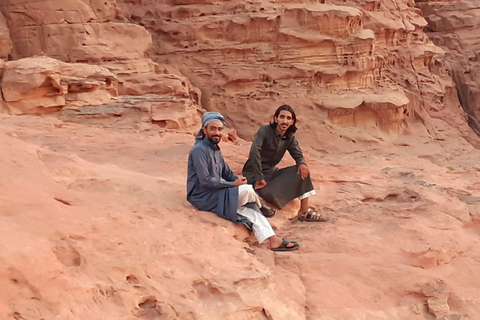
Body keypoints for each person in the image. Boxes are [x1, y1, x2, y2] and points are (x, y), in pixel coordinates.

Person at [187, 111, 299, 251]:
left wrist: (238, 181)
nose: (217, 132)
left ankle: (273, 240)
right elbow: (206, 181)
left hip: (216, 192)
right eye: (213, 128)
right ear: (204, 130)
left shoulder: (215, 149)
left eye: (220, 129)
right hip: (203, 196)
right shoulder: (199, 151)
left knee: (250, 210)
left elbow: (226, 172)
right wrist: (233, 185)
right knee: (247, 191)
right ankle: (260, 204)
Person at [242, 105, 327, 222]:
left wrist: (302, 164)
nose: (285, 121)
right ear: (276, 118)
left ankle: (303, 211)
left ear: (292, 122)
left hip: (272, 174)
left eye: (288, 118)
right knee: (268, 193)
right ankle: (266, 197)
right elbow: (254, 152)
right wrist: (259, 177)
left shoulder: (289, 138)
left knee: (301, 171)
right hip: (254, 174)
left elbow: (298, 154)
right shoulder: (265, 130)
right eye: (282, 117)